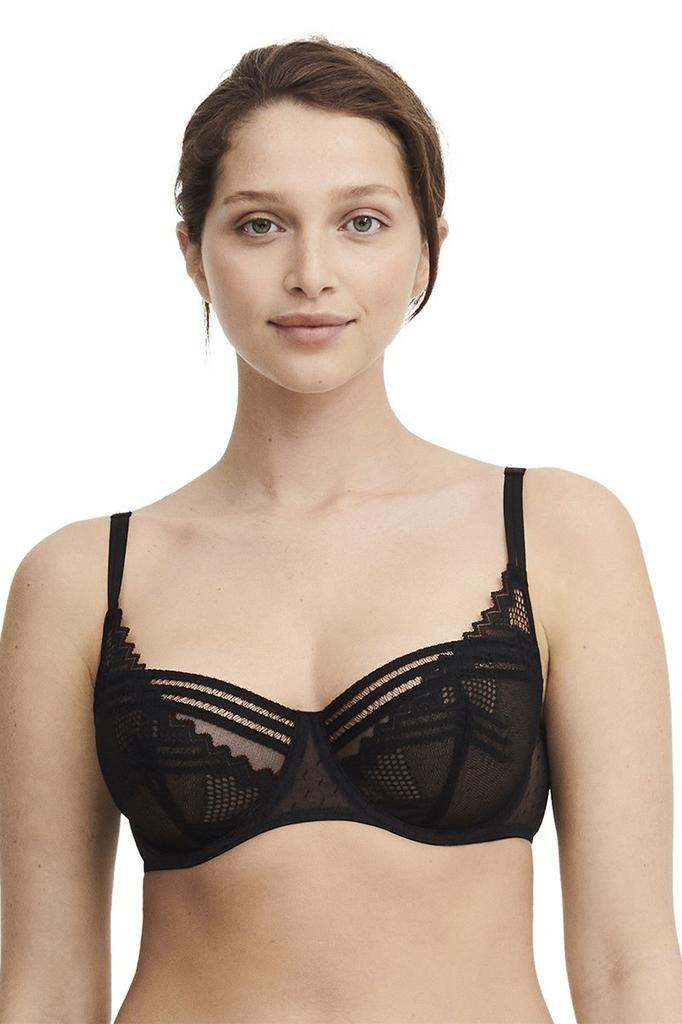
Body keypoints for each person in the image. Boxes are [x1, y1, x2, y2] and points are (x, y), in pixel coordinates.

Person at [1, 34, 681, 1024]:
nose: (311, 272)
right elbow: (46, 984)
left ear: (426, 247)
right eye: (260, 224)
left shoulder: (558, 535)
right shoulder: (79, 579)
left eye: (361, 221)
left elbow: (629, 967)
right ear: (192, 253)